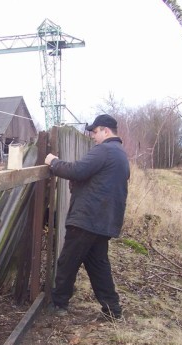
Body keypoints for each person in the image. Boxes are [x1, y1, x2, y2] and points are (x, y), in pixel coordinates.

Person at [44, 114, 130, 321]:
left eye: (95, 131)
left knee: (68, 262)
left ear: (105, 131)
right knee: (98, 265)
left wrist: (53, 162)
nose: (92, 136)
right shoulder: (120, 154)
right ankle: (112, 310)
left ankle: (59, 304)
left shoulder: (105, 150)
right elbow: (99, 181)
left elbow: (78, 170)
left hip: (87, 218)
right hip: (104, 220)